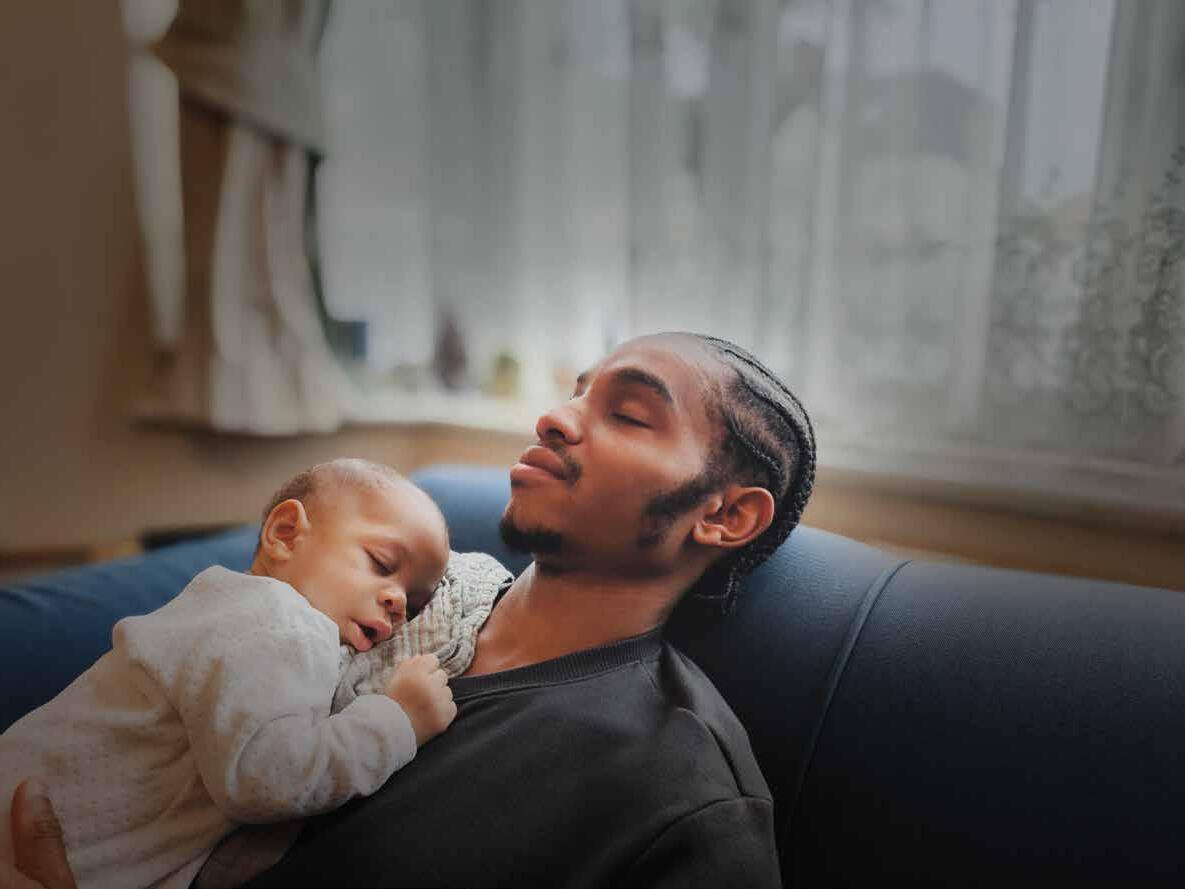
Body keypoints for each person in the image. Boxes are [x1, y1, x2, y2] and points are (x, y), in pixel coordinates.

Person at [7, 332, 817, 888]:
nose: (554, 416)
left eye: (629, 413)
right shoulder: (392, 589)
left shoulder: (678, 791)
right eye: (576, 392)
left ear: (724, 514)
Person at [0, 460, 460, 889]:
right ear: (285, 534)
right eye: (382, 564)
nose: (398, 601)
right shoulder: (277, 617)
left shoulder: (234, 612)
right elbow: (268, 778)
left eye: (415, 604)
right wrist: (397, 721)